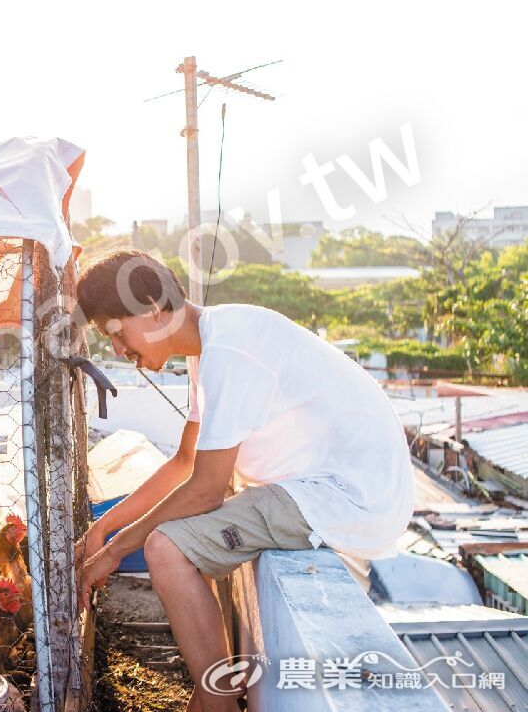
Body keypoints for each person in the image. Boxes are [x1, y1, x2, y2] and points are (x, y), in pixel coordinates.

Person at [73, 250, 413, 712]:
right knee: (179, 539)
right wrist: (103, 527)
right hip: (321, 488)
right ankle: (216, 692)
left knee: (166, 549)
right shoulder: (211, 346)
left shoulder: (229, 350)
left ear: (151, 309)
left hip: (344, 495)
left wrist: (114, 552)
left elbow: (206, 489)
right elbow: (185, 464)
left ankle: (215, 702)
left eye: (116, 333)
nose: (117, 351)